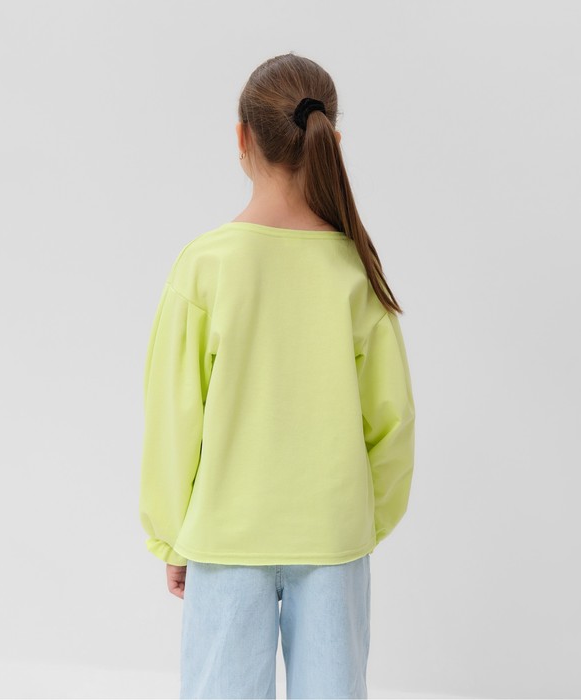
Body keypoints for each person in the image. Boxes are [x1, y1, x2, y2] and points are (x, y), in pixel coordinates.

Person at [138, 52, 416, 699]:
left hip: (226, 538)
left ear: (241, 137)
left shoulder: (205, 266)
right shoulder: (355, 270)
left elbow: (173, 416)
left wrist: (171, 536)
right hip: (334, 539)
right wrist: (362, 520)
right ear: (332, 141)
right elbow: (393, 422)